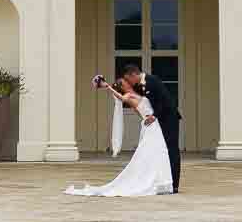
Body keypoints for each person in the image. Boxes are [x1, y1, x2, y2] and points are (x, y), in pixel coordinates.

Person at [65, 75, 173, 197]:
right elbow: (121, 98)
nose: (127, 82)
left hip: (154, 124)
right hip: (150, 125)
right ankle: (151, 180)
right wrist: (108, 87)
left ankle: (160, 181)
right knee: (149, 153)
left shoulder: (138, 92)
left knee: (158, 152)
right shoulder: (127, 96)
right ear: (123, 86)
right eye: (124, 82)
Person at [122, 64, 181, 193]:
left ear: (133, 74)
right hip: (159, 121)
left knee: (172, 150)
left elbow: (165, 101)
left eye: (128, 79)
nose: (128, 82)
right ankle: (165, 181)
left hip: (169, 119)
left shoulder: (152, 80)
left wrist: (154, 116)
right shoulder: (141, 85)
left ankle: (174, 184)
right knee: (162, 150)